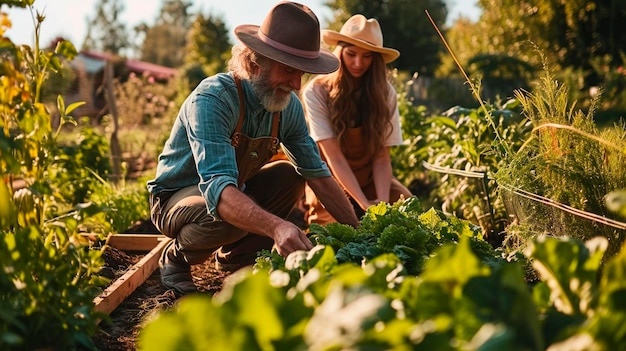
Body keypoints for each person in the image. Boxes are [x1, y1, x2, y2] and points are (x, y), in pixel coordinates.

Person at [146, 1, 360, 296]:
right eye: (288, 70)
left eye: (302, 73)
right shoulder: (213, 100)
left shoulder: (286, 107)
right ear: (255, 62)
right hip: (178, 198)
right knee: (223, 216)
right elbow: (219, 191)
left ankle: (236, 255)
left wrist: (360, 233)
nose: (297, 84)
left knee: (291, 174)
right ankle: (177, 256)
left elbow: (318, 175)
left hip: (231, 191)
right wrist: (276, 227)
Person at [302, 14, 413, 225]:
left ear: (376, 59)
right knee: (337, 229)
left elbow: (382, 157)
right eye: (351, 54)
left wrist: (381, 202)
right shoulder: (316, 91)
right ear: (340, 52)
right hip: (329, 180)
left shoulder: (385, 93)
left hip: (369, 178)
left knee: (405, 208)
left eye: (367, 56)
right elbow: (334, 156)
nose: (358, 63)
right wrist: (364, 204)